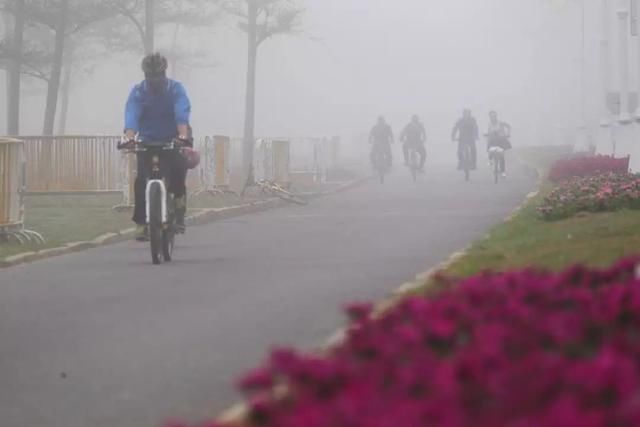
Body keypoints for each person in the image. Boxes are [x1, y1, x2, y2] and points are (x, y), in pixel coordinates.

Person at [123, 52, 194, 241]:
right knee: (141, 180)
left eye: (158, 76)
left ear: (164, 73)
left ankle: (179, 209)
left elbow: (181, 113)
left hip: (174, 137)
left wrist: (183, 136)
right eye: (150, 76)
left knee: (178, 171)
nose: (154, 81)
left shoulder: (175, 89)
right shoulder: (138, 92)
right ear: (145, 75)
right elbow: (132, 114)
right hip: (148, 139)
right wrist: (129, 138)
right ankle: (140, 223)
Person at [486, 111, 512, 177]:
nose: (493, 118)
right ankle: (490, 159)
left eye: (494, 117)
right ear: (490, 118)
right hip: (493, 141)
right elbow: (487, 132)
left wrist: (508, 133)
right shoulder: (489, 125)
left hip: (501, 140)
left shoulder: (500, 123)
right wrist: (486, 135)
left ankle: (503, 171)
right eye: (491, 117)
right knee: (489, 148)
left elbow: (508, 126)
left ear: (496, 117)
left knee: (501, 156)